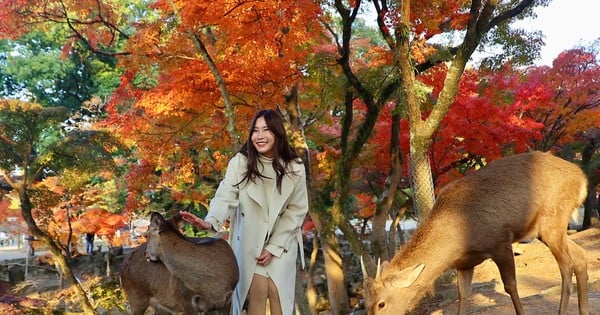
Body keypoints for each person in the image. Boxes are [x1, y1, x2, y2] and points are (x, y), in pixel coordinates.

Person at [181, 109, 309, 315]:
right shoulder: (241, 163)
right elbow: (225, 194)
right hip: (251, 241)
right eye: (255, 130)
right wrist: (211, 221)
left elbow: (297, 209)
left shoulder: (295, 167)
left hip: (282, 240)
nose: (259, 136)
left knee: (278, 295)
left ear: (278, 133)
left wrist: (274, 246)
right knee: (258, 290)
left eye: (266, 130)